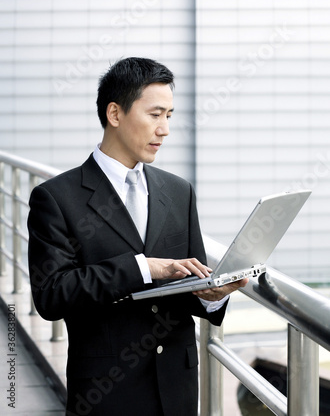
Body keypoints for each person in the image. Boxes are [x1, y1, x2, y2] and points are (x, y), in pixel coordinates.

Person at [28, 57, 247, 416]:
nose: (165, 129)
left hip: (177, 387)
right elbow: (52, 295)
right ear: (115, 114)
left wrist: (211, 296)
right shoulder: (56, 197)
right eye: (155, 114)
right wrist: (142, 268)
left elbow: (187, 282)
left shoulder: (178, 191)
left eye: (169, 115)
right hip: (106, 391)